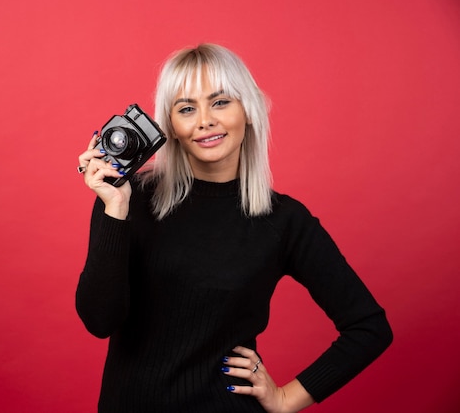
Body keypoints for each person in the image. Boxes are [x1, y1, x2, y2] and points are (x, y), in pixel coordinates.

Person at [75, 43, 392, 413]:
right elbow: (99, 320)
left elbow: (369, 328)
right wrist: (115, 207)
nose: (205, 120)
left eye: (221, 102)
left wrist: (288, 398)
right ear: (172, 128)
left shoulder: (283, 220)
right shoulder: (129, 197)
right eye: (187, 108)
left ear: (250, 111)